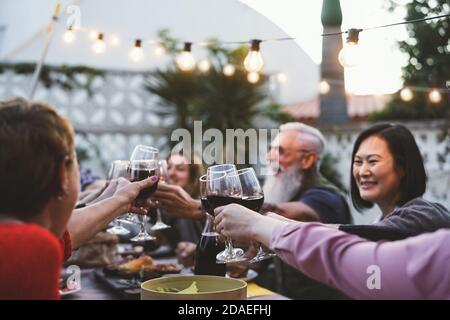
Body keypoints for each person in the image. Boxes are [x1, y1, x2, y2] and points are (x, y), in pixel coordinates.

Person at [0, 98, 156, 299]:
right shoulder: (26, 248)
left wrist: (116, 202)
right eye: (76, 164)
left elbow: (62, 236)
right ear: (63, 174)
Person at [213, 205, 450, 299]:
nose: (363, 170)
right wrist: (282, 227)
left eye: (373, 160)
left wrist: (262, 226)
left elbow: (367, 262)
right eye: (358, 161)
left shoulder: (426, 214)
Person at [259, 122, 351, 299]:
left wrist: (212, 206)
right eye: (271, 149)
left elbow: (280, 214)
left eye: (280, 151)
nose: (269, 157)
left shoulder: (326, 198)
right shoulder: (290, 191)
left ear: (308, 160)